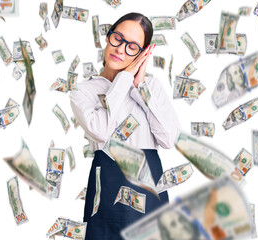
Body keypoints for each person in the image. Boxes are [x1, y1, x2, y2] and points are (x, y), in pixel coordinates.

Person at [69, 12, 181, 239]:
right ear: (108, 37)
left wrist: (138, 87)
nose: (121, 49)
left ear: (143, 53)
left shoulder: (151, 87)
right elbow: (100, 130)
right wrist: (124, 79)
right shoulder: (83, 91)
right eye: (118, 38)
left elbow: (169, 139)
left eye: (132, 47)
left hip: (149, 193)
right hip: (106, 192)